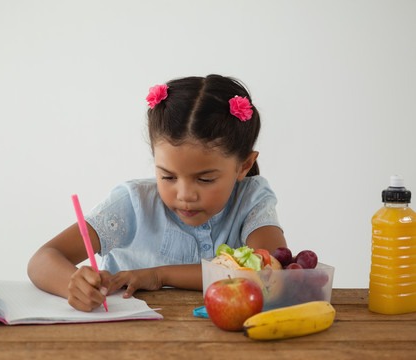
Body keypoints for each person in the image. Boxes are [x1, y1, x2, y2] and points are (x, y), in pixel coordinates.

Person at [28, 74, 287, 312]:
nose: (185, 194)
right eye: (168, 176)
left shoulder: (251, 198)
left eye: (205, 179)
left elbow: (268, 275)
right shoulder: (133, 203)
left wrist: (159, 275)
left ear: (244, 165)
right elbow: (41, 260)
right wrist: (72, 284)